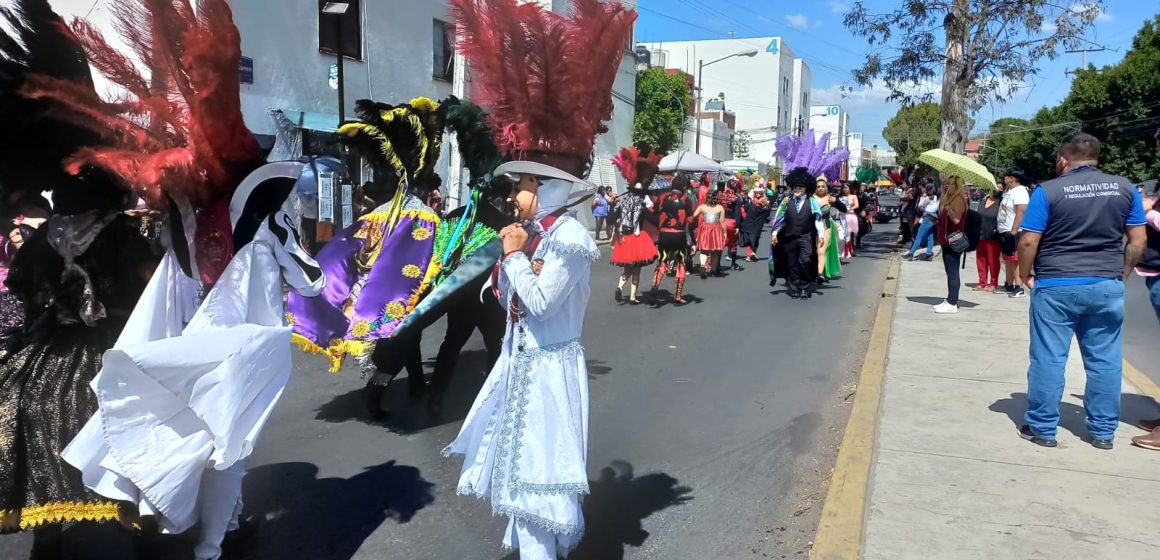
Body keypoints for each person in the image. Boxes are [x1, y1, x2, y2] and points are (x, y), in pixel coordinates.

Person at [442, 1, 634, 557]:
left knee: (535, 484)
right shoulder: (542, 235)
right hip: (526, 366)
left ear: (549, 186)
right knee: (523, 482)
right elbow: (517, 306)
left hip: (551, 372)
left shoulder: (570, 239)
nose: (516, 193)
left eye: (525, 182)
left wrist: (516, 258)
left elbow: (545, 304)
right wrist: (508, 264)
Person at [1016, 132, 1146, 449]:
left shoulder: (1048, 191)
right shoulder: (1126, 188)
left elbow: (1029, 240)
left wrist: (1024, 274)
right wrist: (1122, 274)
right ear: (1096, 158)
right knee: (1104, 360)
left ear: (1063, 160)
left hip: (1055, 283)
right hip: (1106, 283)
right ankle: (1103, 432)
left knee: (1049, 358)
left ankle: (1043, 428)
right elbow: (1138, 241)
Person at [770, 167, 827, 299]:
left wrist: (821, 235)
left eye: (800, 187)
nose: (797, 189)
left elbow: (818, 219)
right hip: (789, 239)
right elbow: (780, 219)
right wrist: (774, 233)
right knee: (792, 264)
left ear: (805, 188)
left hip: (805, 238)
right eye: (795, 187)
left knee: (805, 261)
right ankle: (795, 288)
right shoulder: (786, 201)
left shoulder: (812, 201)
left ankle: (805, 287)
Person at [648, 173, 694, 305]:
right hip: (679, 235)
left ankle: (656, 285)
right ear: (683, 186)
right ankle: (678, 295)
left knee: (662, 262)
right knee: (681, 264)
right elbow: (690, 220)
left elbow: (654, 211)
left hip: (664, 235)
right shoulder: (686, 200)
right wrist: (694, 241)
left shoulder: (663, 197)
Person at [609, 181, 658, 304]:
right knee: (636, 270)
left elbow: (613, 218)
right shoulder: (640, 205)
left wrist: (612, 206)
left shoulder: (624, 204)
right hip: (636, 239)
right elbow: (654, 220)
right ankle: (632, 297)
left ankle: (619, 287)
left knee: (627, 269)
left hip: (624, 239)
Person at [933, 176, 969, 314]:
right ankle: (949, 299)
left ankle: (952, 302)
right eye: (945, 183)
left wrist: (948, 209)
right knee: (949, 271)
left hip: (953, 240)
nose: (947, 186)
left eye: (950, 184)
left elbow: (956, 220)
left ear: (957, 185)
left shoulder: (958, 199)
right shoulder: (947, 198)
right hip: (945, 240)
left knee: (953, 272)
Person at [999, 167, 1031, 298]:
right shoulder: (1009, 192)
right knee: (1008, 259)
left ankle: (1019, 287)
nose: (1004, 178)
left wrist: (1014, 229)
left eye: (1006, 176)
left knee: (1015, 260)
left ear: (1012, 178)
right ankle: (1009, 284)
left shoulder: (1020, 191)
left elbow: (1021, 211)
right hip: (1005, 230)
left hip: (1014, 231)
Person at [974, 187, 1003, 292]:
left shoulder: (1001, 203)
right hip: (980, 234)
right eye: (996, 187)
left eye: (1000, 188)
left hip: (993, 235)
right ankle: (982, 282)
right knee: (980, 259)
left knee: (993, 260)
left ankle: (993, 282)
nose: (998, 190)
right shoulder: (983, 201)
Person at [694, 190, 727, 279]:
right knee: (715, 250)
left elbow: (693, 215)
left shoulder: (702, 207)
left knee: (704, 249)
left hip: (705, 228)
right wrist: (725, 232)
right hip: (716, 228)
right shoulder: (720, 208)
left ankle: (702, 265)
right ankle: (713, 269)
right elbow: (722, 221)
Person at [814, 176, 842, 281]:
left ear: (826, 187)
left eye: (822, 186)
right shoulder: (811, 198)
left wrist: (836, 201)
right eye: (818, 187)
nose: (820, 188)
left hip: (826, 225)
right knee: (813, 251)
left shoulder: (830, 198)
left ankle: (820, 274)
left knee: (821, 251)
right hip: (812, 227)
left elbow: (844, 209)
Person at [904, 184, 939, 261]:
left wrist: (923, 197)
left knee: (919, 236)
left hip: (927, 217)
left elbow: (919, 205)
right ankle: (929, 254)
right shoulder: (936, 197)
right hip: (933, 218)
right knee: (930, 236)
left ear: (927, 190)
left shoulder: (926, 198)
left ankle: (911, 253)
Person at [739, 182, 772, 263]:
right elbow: (745, 208)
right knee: (749, 239)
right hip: (749, 221)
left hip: (757, 224)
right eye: (756, 193)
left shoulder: (764, 201)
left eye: (760, 193)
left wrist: (765, 204)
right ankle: (749, 255)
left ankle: (753, 253)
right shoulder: (750, 201)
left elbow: (767, 211)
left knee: (755, 239)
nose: (758, 194)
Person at [721, 178, 745, 269]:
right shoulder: (737, 198)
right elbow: (737, 213)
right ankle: (733, 264)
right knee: (733, 243)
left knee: (720, 243)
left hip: (722, 221)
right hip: (732, 222)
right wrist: (738, 226)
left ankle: (715, 264)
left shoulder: (721, 195)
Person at [841, 183, 860, 259]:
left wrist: (849, 208)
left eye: (846, 187)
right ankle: (845, 250)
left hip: (851, 215)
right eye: (844, 188)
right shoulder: (841, 197)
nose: (845, 189)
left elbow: (857, 205)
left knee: (852, 234)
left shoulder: (853, 196)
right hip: (843, 215)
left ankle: (852, 249)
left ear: (849, 188)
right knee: (845, 233)